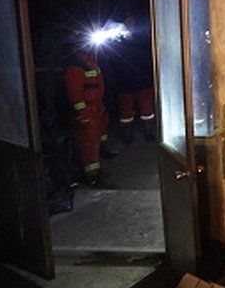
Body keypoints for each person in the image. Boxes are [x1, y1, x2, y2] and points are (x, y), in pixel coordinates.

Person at [64, 39, 111, 185]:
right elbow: (75, 93)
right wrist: (82, 113)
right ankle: (91, 176)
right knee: (88, 143)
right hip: (86, 108)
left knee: (96, 138)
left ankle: (96, 171)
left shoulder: (89, 60)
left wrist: (100, 103)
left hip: (95, 105)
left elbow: (99, 83)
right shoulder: (76, 65)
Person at [112, 12, 156, 144]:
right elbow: (113, 61)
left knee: (147, 111)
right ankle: (127, 134)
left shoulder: (142, 39)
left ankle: (148, 132)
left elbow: (149, 57)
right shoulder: (117, 40)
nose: (129, 24)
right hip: (125, 82)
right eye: (127, 21)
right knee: (126, 113)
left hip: (142, 81)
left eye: (131, 21)